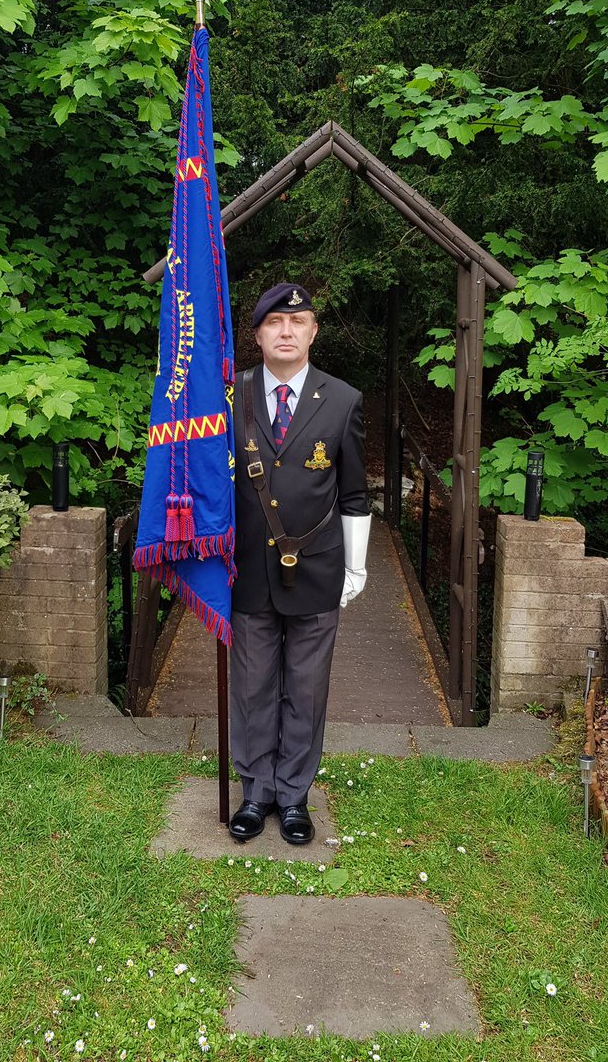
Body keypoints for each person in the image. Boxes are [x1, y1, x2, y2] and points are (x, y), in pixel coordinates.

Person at [228, 282, 371, 845]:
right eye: (274, 324)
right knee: (253, 685)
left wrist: (356, 567)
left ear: (313, 331)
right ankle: (255, 792)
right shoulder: (229, 395)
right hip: (246, 569)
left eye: (298, 322)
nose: (286, 332)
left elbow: (354, 493)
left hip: (316, 566)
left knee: (306, 689)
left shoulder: (343, 400)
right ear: (258, 334)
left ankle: (293, 797)